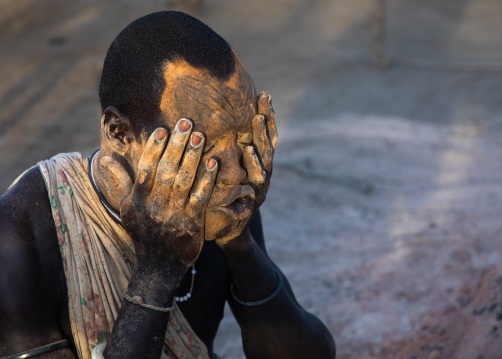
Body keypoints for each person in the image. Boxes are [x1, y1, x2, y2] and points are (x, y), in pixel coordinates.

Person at [0, 11, 335, 359]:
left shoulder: (221, 194)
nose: (236, 171)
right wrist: (158, 270)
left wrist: (239, 242)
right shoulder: (21, 232)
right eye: (202, 144)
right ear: (119, 133)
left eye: (243, 136)